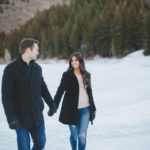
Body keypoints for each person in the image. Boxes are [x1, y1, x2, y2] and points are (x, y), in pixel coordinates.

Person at [1, 38, 56, 150]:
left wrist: (52, 104)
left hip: (37, 116)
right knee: (24, 147)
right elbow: (6, 97)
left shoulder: (37, 68)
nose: (38, 52)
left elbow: (43, 88)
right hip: (20, 119)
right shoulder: (10, 70)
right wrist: (11, 118)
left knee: (41, 143)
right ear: (28, 50)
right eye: (36, 49)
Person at [53, 52, 96, 150]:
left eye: (76, 60)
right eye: (72, 60)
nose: (74, 62)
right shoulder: (67, 75)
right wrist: (54, 105)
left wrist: (93, 109)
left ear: (80, 61)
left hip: (85, 110)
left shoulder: (87, 75)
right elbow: (60, 91)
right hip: (71, 111)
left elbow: (90, 93)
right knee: (74, 135)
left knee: (82, 136)